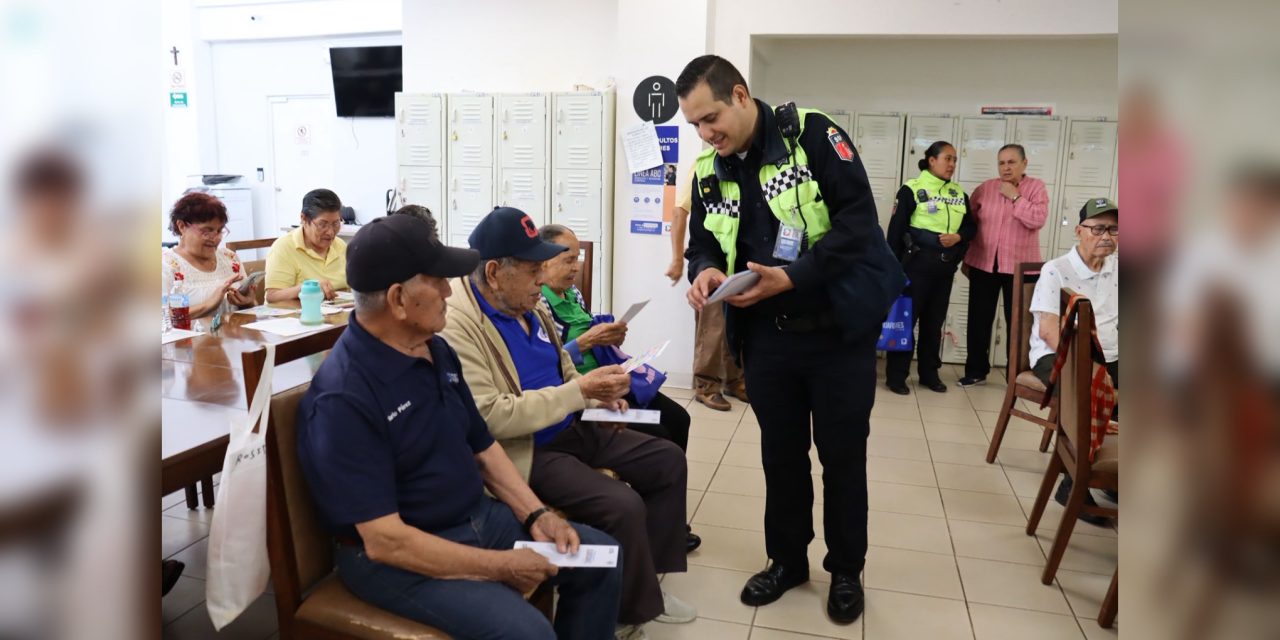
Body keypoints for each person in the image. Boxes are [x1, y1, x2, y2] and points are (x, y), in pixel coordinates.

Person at [296, 214, 623, 639]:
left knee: (601, 556)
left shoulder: (434, 350)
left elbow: (483, 448)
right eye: (438, 281)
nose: (451, 291)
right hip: (400, 559)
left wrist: (536, 513)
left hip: (478, 518)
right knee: (527, 632)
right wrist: (501, 567)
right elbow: (385, 541)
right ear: (398, 299)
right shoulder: (344, 398)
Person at [678, 55, 882, 624]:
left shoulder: (812, 136)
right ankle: (787, 560)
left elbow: (858, 224)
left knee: (842, 458)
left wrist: (793, 276)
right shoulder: (707, 168)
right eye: (694, 124)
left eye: (711, 117)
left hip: (836, 334)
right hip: (767, 340)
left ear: (741, 95)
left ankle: (845, 569)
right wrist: (704, 270)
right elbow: (702, 241)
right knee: (781, 458)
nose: (705, 133)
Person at [442, 207, 695, 639]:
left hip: (572, 422)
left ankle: (644, 574)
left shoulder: (530, 306)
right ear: (495, 272)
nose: (543, 279)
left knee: (666, 459)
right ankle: (632, 605)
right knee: (622, 504)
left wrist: (595, 391)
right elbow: (492, 416)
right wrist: (579, 394)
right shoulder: (458, 325)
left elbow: (563, 366)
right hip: (529, 448)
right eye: (534, 269)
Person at [539, 223, 694, 452]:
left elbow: (591, 338)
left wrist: (609, 339)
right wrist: (587, 341)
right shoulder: (538, 303)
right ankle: (655, 477)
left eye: (577, 259)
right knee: (661, 437)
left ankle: (669, 478)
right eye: (568, 260)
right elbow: (547, 362)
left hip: (608, 376)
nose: (576, 267)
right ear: (544, 261)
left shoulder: (573, 294)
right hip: (582, 388)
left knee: (680, 418)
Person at [1028, 197, 1118, 526]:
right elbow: (1050, 331)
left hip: (1110, 352)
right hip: (1062, 352)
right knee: (1089, 396)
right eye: (1098, 228)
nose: (1106, 235)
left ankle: (1114, 475)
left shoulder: (1121, 269)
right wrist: (1093, 369)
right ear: (1079, 231)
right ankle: (1073, 484)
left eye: (1114, 229)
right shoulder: (1057, 270)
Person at [885, 141, 976, 395]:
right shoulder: (911, 189)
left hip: (943, 271)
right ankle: (896, 375)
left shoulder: (959, 194)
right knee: (905, 322)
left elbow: (971, 228)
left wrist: (957, 238)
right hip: (914, 268)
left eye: (955, 160)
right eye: (947, 158)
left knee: (933, 325)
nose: (952, 164)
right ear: (932, 160)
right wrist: (891, 271)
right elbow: (895, 233)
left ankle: (929, 373)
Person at [958, 143, 1049, 387]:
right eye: (1001, 162)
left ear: (1024, 163)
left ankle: (1015, 375)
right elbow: (971, 225)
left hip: (1021, 270)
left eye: (1011, 162)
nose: (1006, 167)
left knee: (1018, 324)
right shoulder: (985, 189)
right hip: (983, 264)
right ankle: (976, 371)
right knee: (978, 320)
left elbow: (1037, 220)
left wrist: (1015, 197)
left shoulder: (1036, 188)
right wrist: (966, 258)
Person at [666, 163, 747, 411]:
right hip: (712, 262)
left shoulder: (747, 165)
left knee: (740, 324)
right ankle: (706, 385)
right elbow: (680, 211)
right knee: (712, 326)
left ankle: (735, 380)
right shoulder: (704, 166)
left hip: (742, 261)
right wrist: (678, 259)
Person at [161, 192, 255, 318]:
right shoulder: (166, 265)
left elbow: (250, 310)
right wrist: (209, 304)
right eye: (207, 231)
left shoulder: (230, 258)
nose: (215, 238)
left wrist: (248, 303)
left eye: (219, 230)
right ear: (182, 226)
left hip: (232, 336)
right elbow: (161, 319)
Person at [264, 188, 348, 302]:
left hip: (337, 315)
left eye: (336, 224)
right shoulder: (284, 247)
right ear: (303, 219)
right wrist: (307, 288)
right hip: (298, 316)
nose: (330, 232)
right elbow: (272, 297)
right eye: (322, 224)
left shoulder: (340, 246)